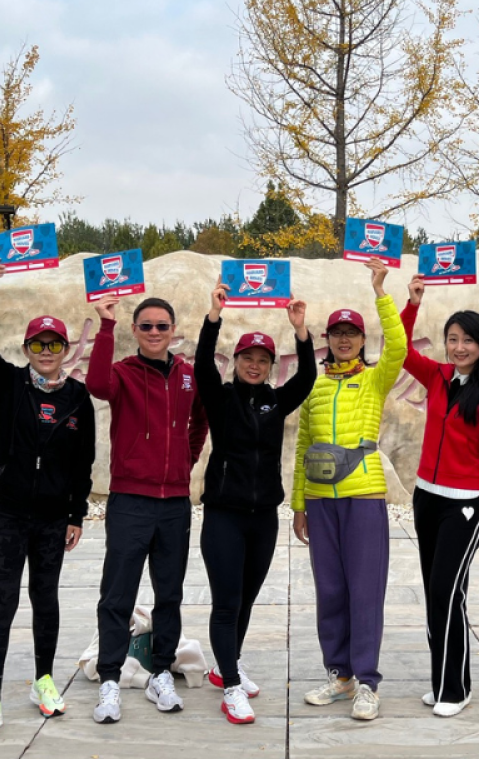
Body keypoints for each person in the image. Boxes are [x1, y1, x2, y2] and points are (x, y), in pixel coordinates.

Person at [0, 260, 95, 739]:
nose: (46, 351)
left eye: (54, 344)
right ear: (27, 349)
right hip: (8, 515)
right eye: (38, 344)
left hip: (51, 520)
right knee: (1, 602)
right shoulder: (10, 384)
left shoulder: (78, 398)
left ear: (65, 350)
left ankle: (44, 679)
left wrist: (76, 514)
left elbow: (85, 461)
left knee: (46, 599)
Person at [194, 280, 316, 724]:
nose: (255, 365)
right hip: (224, 515)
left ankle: (227, 666)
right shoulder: (220, 398)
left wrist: (301, 332)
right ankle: (229, 687)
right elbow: (202, 366)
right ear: (238, 361)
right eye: (248, 358)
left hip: (264, 517)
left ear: (269, 367)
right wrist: (214, 317)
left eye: (263, 360)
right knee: (226, 603)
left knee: (245, 600)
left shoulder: (276, 403)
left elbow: (307, 378)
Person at [85, 294, 209, 724]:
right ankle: (109, 678)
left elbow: (201, 420)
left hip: (174, 502)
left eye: (162, 326)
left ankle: (160, 671)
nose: (155, 332)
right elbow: (96, 386)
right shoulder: (121, 373)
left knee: (169, 593)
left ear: (173, 330)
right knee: (117, 594)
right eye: (146, 326)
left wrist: (186, 461)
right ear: (134, 331)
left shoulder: (188, 376)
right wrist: (104, 325)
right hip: (130, 501)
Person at [293, 257, 407, 721]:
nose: (343, 339)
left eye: (352, 333)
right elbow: (302, 448)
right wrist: (299, 504)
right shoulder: (316, 389)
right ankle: (340, 676)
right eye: (337, 333)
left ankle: (368, 682)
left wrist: (381, 293)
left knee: (364, 590)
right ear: (328, 340)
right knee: (332, 590)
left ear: (362, 341)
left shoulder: (374, 380)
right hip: (321, 503)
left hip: (363, 498)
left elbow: (397, 347)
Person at [401, 274, 479, 718]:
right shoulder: (439, 376)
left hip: (464, 504)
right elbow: (401, 350)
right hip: (427, 495)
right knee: (434, 593)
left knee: (450, 594)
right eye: (452, 339)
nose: (459, 347)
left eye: (468, 340)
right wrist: (411, 305)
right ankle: (443, 680)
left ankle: (456, 688)